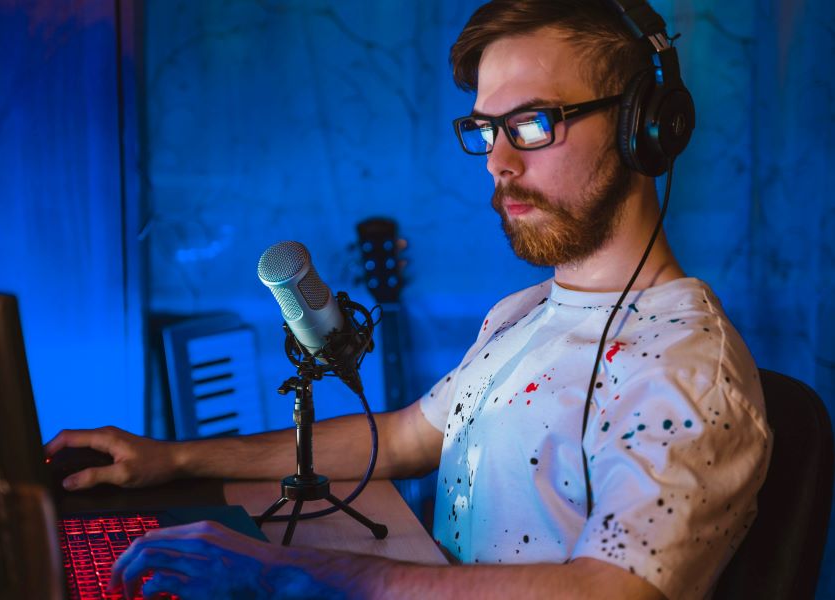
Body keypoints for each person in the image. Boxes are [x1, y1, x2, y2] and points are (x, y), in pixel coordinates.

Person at [46, 1, 772, 598]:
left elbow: (613, 591)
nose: (498, 161)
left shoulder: (685, 370)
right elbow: (398, 440)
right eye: (486, 129)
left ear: (643, 128)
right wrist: (170, 462)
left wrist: (302, 576)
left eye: (529, 124)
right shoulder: (524, 313)